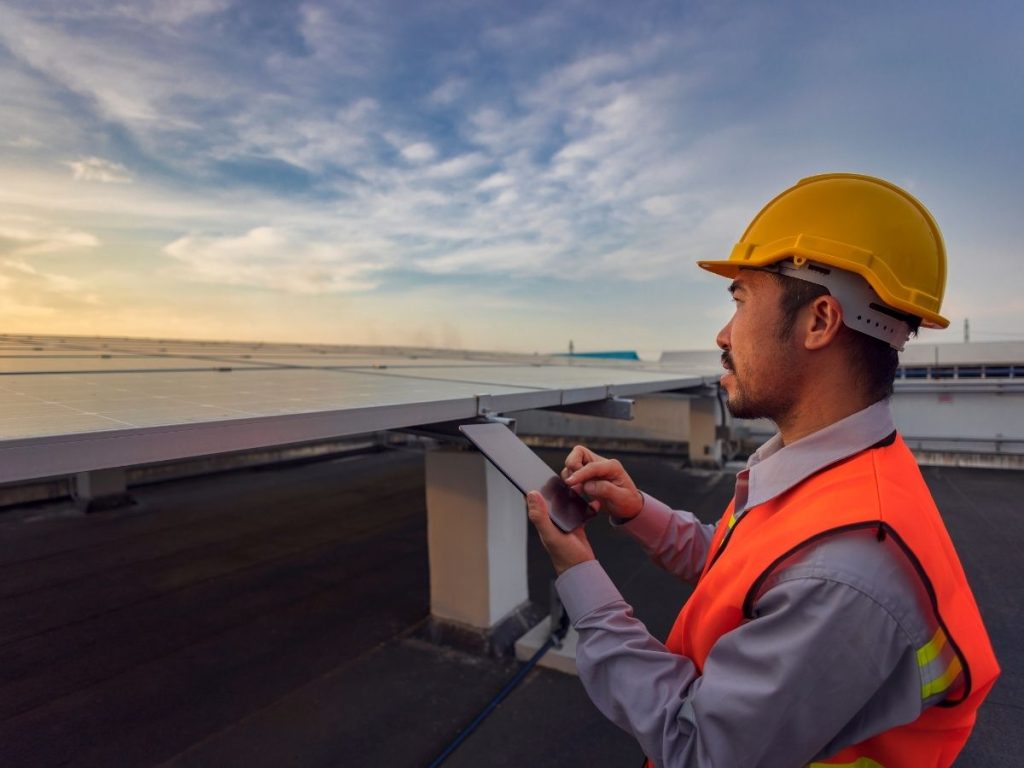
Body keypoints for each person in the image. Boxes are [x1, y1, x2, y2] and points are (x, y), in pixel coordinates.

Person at [526, 174, 1000, 767]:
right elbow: (742, 571)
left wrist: (580, 578)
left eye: (741, 299)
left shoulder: (847, 569)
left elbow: (698, 748)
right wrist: (638, 510)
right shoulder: (837, 476)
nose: (723, 334)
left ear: (820, 321)